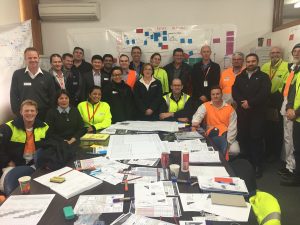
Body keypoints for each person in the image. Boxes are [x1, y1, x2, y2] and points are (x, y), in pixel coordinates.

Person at [232, 53, 271, 178]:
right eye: (248, 62)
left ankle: (257, 166)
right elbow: (235, 91)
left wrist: (250, 103)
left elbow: (264, 93)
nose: (250, 63)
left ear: (257, 62)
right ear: (246, 63)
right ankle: (246, 165)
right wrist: (242, 102)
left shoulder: (263, 77)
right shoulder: (240, 77)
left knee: (256, 139)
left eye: (253, 61)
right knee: (244, 138)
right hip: (243, 113)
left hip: (257, 114)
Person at [0, 100, 48, 195]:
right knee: (5, 188)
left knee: (39, 189)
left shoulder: (44, 126)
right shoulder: (7, 127)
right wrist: (8, 161)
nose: (29, 113)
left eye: (32, 110)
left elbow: (49, 146)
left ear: (36, 112)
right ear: (21, 112)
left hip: (35, 164)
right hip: (14, 165)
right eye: (26, 110)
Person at [10, 47, 55, 121]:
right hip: (24, 116)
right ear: (25, 59)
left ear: (38, 58)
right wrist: (18, 113)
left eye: (35, 57)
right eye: (29, 58)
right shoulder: (17, 74)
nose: (33, 60)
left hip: (44, 116)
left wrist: (49, 115)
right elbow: (13, 96)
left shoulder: (48, 76)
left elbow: (52, 97)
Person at [261, 47, 289, 162]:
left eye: (277, 52)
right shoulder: (265, 66)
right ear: (269, 54)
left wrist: (273, 98)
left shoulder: (287, 66)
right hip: (264, 101)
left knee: (277, 130)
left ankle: (276, 154)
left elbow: (286, 86)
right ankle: (267, 151)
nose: (275, 55)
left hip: (277, 102)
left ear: (281, 54)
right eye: (272, 53)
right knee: (266, 128)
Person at [192, 86, 237, 156]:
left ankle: (226, 163)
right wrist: (196, 122)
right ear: (210, 96)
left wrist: (228, 143)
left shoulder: (230, 109)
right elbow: (197, 116)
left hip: (226, 135)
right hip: (210, 135)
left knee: (235, 150)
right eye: (213, 94)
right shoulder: (205, 106)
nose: (215, 96)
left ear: (222, 95)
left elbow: (233, 128)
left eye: (217, 94)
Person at [281, 43, 300, 186]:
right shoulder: (294, 69)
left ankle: (293, 170)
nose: (297, 53)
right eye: (295, 51)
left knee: (294, 142)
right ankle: (290, 167)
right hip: (289, 106)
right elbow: (291, 91)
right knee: (288, 139)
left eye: (299, 51)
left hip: (296, 112)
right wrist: (288, 106)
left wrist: (295, 111)